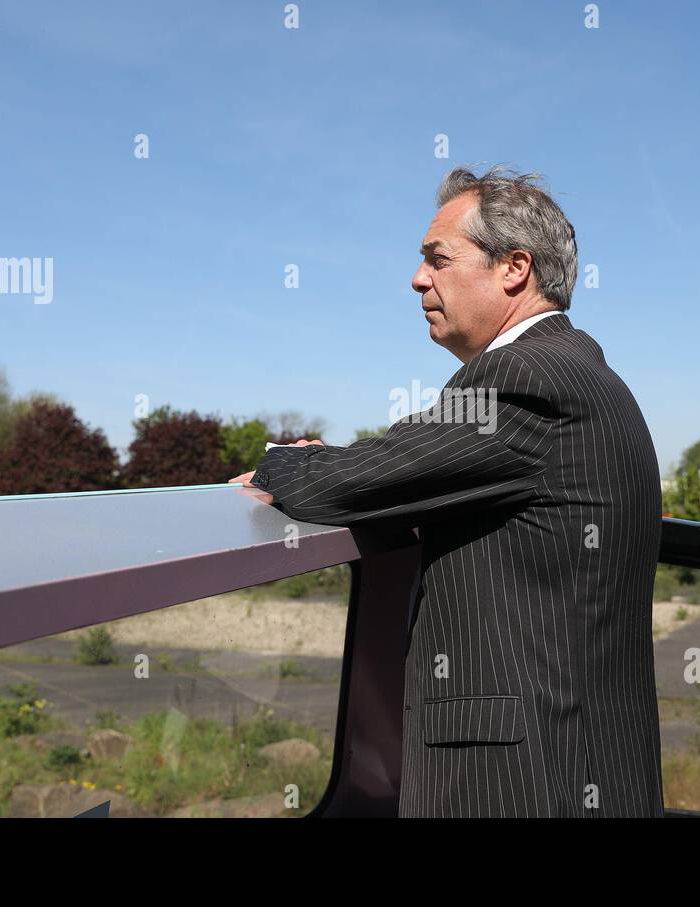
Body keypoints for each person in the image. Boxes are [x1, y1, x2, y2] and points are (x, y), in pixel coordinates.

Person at [230, 165, 664, 817]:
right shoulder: (588, 372)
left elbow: (352, 484)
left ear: (514, 268)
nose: (417, 278)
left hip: (517, 786)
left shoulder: (523, 375)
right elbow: (413, 462)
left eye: (438, 259)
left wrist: (276, 465)